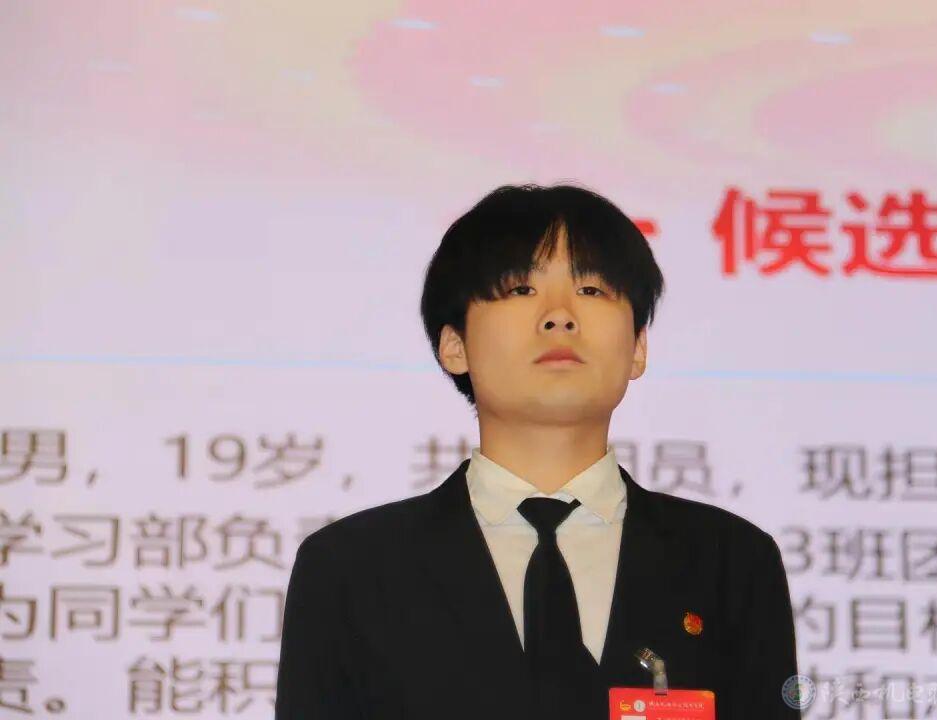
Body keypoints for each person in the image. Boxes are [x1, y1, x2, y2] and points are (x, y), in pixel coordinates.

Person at [274, 183, 801, 719]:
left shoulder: (730, 562)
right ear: (454, 345)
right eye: (520, 289)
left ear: (638, 348)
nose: (559, 316)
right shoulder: (350, 569)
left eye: (592, 289)